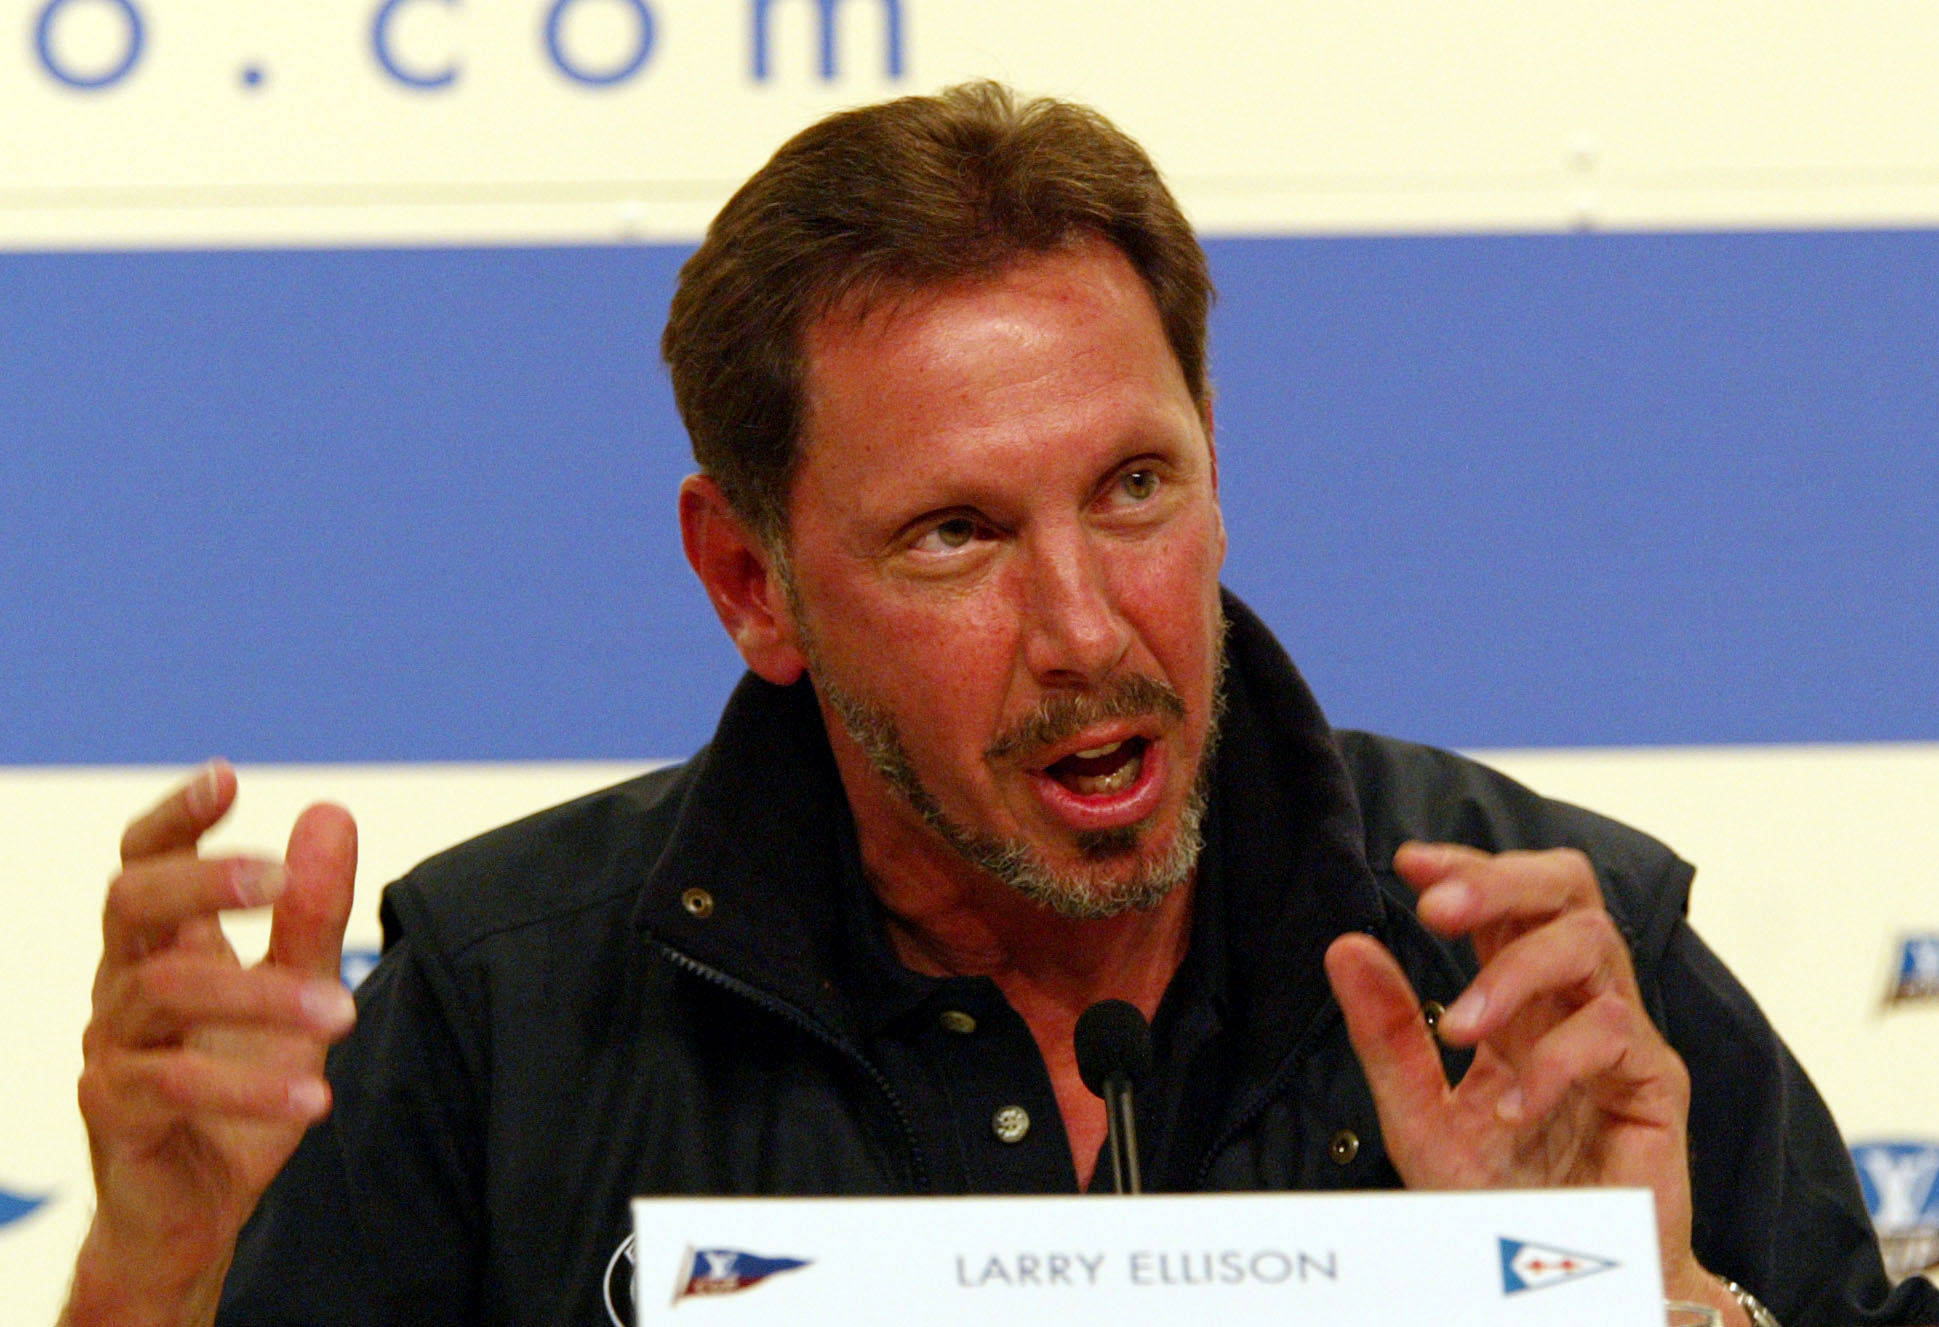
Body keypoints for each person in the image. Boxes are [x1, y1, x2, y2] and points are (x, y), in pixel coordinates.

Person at [61, 82, 1937, 1327]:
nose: (1084, 628)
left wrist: (1658, 1302)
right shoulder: (504, 1008)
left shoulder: (1545, 959)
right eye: (956, 534)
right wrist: (156, 1275)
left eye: (1135, 488)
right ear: (750, 581)